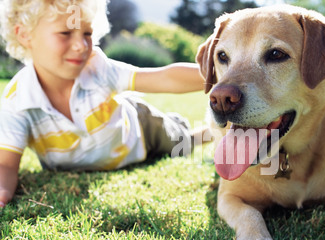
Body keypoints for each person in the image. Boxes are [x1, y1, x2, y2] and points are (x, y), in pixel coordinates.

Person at [0, 0, 206, 208]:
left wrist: (220, 75)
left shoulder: (97, 68)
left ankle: (198, 133)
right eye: (65, 33)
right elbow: (5, 165)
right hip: (109, 152)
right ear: (24, 35)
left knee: (180, 145)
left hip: (141, 130)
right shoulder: (17, 101)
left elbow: (164, 78)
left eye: (87, 34)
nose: (81, 45)